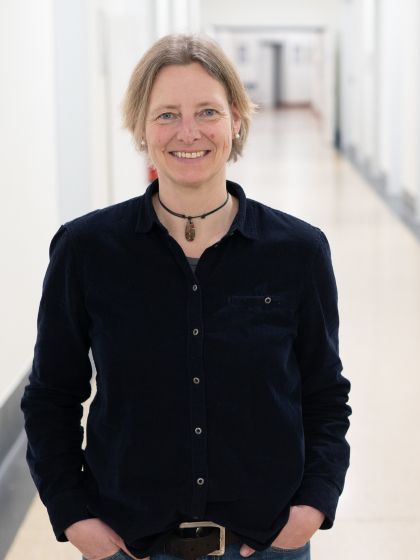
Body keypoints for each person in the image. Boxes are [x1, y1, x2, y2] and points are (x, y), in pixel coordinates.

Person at [21, 33, 351, 560]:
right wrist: (73, 514)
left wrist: (314, 504)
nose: (188, 132)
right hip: (130, 545)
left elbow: (325, 394)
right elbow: (50, 396)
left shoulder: (298, 251)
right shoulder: (86, 249)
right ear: (140, 126)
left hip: (268, 543)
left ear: (236, 120)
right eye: (167, 115)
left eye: (208, 112)